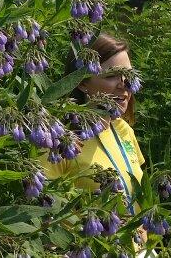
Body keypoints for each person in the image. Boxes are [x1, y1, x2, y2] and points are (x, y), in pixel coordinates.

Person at [43, 34, 144, 210]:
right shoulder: (57, 139)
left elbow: (137, 193)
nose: (124, 84)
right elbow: (42, 204)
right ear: (81, 83)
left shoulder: (124, 129)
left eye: (128, 75)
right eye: (111, 75)